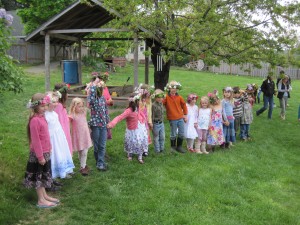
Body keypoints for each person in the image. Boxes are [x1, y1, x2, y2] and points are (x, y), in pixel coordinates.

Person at [23, 93, 59, 208]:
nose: (45, 108)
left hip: (46, 151)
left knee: (43, 175)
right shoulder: (34, 121)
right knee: (38, 177)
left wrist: (49, 148)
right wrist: (40, 156)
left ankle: (45, 196)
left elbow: (45, 135)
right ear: (35, 106)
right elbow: (36, 140)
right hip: (39, 154)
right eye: (42, 106)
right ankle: (40, 200)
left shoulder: (42, 117)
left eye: (46, 106)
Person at [107, 93, 148, 164]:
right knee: (131, 141)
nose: (141, 102)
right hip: (132, 129)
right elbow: (120, 117)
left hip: (139, 128)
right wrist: (112, 123)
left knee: (140, 141)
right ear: (135, 101)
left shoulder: (138, 108)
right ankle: (130, 154)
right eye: (139, 100)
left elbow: (141, 114)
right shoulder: (129, 110)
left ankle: (140, 156)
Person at [45, 92, 75, 179]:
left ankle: (62, 170)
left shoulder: (54, 114)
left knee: (61, 153)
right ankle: (53, 174)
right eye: (54, 102)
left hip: (59, 137)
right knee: (54, 154)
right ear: (47, 103)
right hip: (52, 139)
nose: (56, 104)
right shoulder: (46, 115)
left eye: (57, 102)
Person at [87, 80, 109, 171]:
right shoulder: (92, 100)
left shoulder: (103, 98)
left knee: (102, 145)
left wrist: (108, 122)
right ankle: (98, 161)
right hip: (95, 125)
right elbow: (90, 97)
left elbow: (105, 111)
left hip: (103, 125)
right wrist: (94, 85)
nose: (101, 90)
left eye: (102, 89)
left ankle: (100, 162)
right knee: (96, 145)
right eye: (99, 89)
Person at [69, 97, 93, 176]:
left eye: (82, 106)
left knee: (85, 151)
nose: (81, 108)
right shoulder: (72, 115)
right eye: (79, 106)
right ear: (74, 107)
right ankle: (83, 165)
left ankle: (83, 166)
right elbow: (67, 122)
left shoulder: (83, 113)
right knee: (80, 151)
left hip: (85, 135)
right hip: (78, 136)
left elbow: (88, 108)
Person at [163, 80, 188, 153]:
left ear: (177, 89)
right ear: (169, 88)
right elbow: (162, 102)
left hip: (180, 117)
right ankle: (173, 147)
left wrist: (185, 114)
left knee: (181, 133)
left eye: (175, 88)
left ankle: (179, 146)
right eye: (172, 87)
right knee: (173, 133)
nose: (174, 89)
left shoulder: (179, 97)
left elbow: (184, 105)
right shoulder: (167, 97)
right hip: (172, 118)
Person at [53, 83, 73, 154]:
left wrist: (68, 117)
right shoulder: (58, 106)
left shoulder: (59, 105)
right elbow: (60, 123)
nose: (68, 95)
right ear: (62, 95)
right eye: (67, 93)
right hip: (62, 134)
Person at [151, 89, 165, 153]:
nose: (160, 99)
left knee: (162, 137)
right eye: (158, 97)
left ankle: (162, 148)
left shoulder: (161, 103)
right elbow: (152, 115)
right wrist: (152, 124)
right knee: (156, 138)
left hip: (161, 123)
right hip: (156, 124)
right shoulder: (153, 105)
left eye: (161, 97)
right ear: (155, 97)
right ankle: (157, 150)